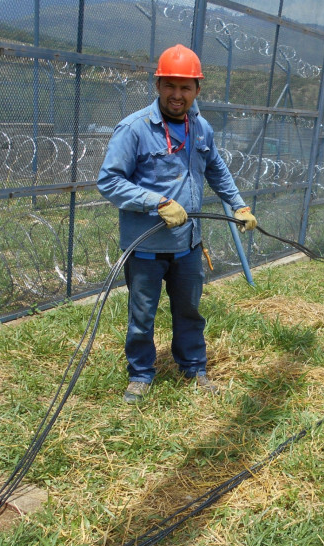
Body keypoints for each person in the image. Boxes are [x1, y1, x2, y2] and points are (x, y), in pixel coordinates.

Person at [97, 44, 257, 402]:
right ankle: (140, 375)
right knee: (142, 316)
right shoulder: (134, 129)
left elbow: (216, 169)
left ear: (197, 90)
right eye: (170, 85)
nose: (177, 94)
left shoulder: (201, 129)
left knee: (189, 311)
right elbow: (109, 181)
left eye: (186, 87)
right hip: (147, 249)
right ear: (158, 86)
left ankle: (194, 369)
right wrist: (156, 202)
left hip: (188, 246)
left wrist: (238, 204)